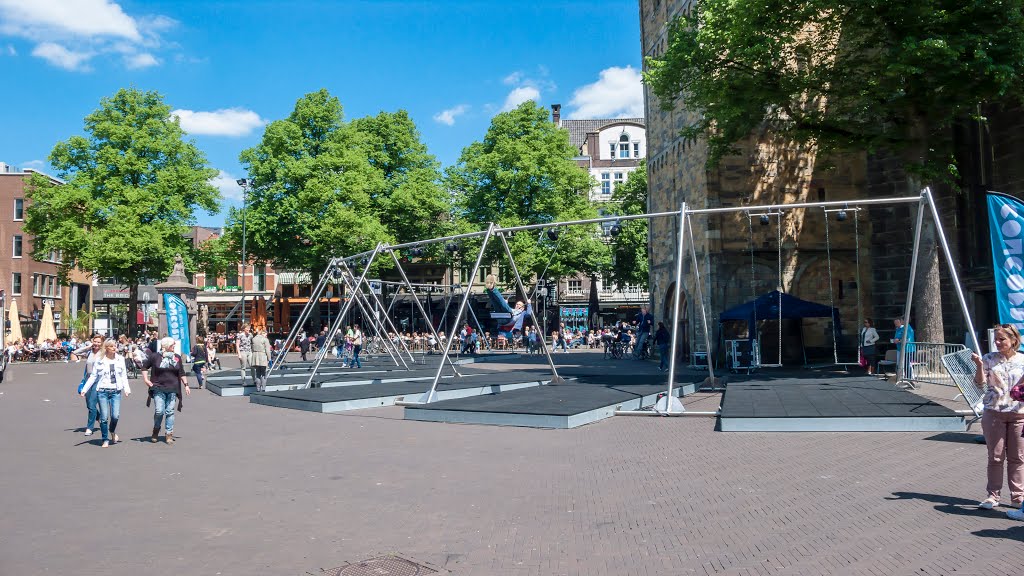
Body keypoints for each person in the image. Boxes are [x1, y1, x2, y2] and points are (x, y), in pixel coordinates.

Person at [971, 324, 1024, 518]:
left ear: (1013, 340)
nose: (998, 342)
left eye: (1002, 339)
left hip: (1020, 414)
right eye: (996, 339)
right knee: (995, 456)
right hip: (994, 412)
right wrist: (978, 366)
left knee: (1018, 457)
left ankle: (1018, 496)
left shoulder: (1023, 360)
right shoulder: (988, 359)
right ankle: (993, 495)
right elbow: (979, 384)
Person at [79, 339, 131, 448]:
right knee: (104, 417)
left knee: (115, 416)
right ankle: (105, 438)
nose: (114, 348)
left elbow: (123, 375)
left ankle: (112, 430)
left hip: (116, 391)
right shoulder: (99, 360)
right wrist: (85, 389)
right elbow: (93, 376)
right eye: (111, 346)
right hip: (102, 391)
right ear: (106, 348)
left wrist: (126, 388)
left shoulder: (120, 359)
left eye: (115, 346)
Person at [143, 336, 189, 444]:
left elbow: (181, 372)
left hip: (173, 388)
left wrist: (186, 384)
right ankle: (156, 429)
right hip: (158, 387)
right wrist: (146, 380)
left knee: (170, 411)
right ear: (167, 346)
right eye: (173, 344)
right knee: (159, 411)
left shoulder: (176, 357)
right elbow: (144, 367)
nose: (174, 346)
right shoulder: (155, 357)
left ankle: (169, 434)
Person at [71, 335, 103, 436]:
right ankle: (101, 418)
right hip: (88, 380)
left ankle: (90, 427)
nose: (96, 344)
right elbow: (75, 352)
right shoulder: (89, 352)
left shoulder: (103, 353)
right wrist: (88, 347)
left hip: (98, 381)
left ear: (102, 343)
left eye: (99, 342)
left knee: (92, 405)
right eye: (95, 341)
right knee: (89, 405)